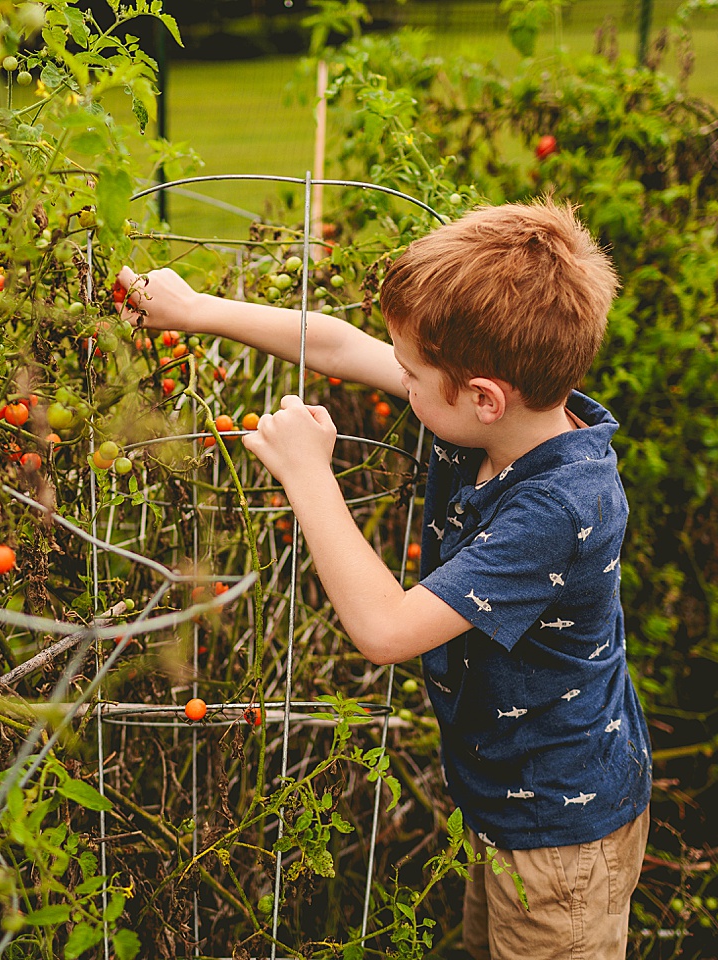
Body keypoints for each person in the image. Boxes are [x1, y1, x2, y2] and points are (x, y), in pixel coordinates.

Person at [116, 199, 652, 960]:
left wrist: (308, 476)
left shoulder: (557, 508)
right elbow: (336, 343)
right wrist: (198, 309)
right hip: (511, 802)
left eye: (409, 372)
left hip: (563, 835)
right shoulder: (496, 418)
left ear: (481, 397)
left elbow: (386, 631)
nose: (397, 378)